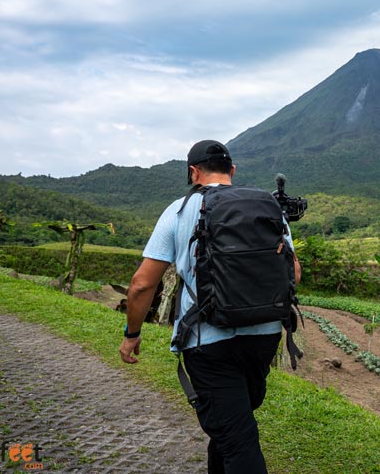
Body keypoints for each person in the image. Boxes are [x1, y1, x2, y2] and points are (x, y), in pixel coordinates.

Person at [118, 139, 300, 474]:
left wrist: (132, 333)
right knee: (230, 429)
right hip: (263, 337)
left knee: (238, 441)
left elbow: (143, 284)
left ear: (192, 172)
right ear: (232, 171)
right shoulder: (268, 208)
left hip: (208, 342)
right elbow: (295, 273)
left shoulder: (177, 211)